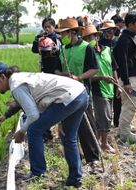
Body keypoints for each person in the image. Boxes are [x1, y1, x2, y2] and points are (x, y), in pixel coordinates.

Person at [0, 62, 89, 187]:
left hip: (68, 97)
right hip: (80, 94)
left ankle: (38, 173)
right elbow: (25, 104)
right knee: (69, 137)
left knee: (34, 131)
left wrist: (22, 131)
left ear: (2, 77)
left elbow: (33, 115)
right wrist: (6, 115)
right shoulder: (19, 78)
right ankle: (75, 179)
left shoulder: (16, 86)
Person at [55, 18, 100, 167]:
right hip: (65, 93)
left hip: (82, 91)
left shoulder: (86, 48)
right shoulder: (62, 49)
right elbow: (56, 70)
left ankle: (93, 157)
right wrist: (63, 75)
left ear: (73, 33)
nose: (61, 37)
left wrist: (78, 77)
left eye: (64, 34)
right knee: (66, 127)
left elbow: (94, 69)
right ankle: (75, 157)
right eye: (60, 35)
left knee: (86, 126)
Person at [82, 24, 120, 153]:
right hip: (97, 89)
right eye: (86, 38)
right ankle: (104, 143)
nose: (90, 40)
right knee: (104, 117)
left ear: (98, 37)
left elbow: (113, 67)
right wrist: (102, 78)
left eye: (92, 36)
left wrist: (117, 85)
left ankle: (98, 142)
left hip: (110, 88)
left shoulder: (107, 50)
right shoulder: (87, 53)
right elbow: (87, 76)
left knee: (107, 116)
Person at [113, 12, 136, 143]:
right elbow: (123, 62)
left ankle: (123, 131)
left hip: (134, 77)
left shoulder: (132, 37)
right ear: (130, 24)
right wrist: (126, 82)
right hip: (129, 79)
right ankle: (125, 134)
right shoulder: (124, 39)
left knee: (128, 106)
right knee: (129, 106)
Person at [31, 17, 62, 141]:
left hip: (56, 72)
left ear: (54, 27)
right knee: (44, 102)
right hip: (45, 72)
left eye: (49, 27)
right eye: (45, 27)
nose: (47, 29)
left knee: (58, 101)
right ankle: (46, 132)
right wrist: (37, 40)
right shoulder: (41, 38)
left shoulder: (58, 38)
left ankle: (61, 130)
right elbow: (34, 50)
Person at [99, 20, 122, 128]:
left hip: (118, 73)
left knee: (118, 99)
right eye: (106, 31)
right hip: (104, 75)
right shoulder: (101, 43)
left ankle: (117, 122)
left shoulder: (118, 41)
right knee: (106, 100)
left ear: (114, 31)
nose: (108, 33)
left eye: (111, 31)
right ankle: (106, 122)